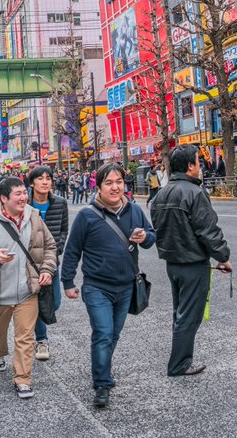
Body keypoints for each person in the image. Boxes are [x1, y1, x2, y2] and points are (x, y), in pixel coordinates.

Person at [62, 163, 156, 409]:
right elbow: (72, 250)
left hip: (126, 286)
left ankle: (100, 367)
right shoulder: (87, 215)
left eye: (119, 182)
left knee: (113, 334)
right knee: (103, 333)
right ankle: (102, 383)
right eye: (109, 183)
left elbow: (151, 237)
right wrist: (68, 281)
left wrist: (145, 237)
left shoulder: (134, 210)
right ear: (99, 186)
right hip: (96, 287)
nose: (115, 187)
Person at [0, 175, 56, 399]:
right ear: (4, 198)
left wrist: (46, 270)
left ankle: (23, 379)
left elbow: (50, 246)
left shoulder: (34, 218)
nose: (24, 197)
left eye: (25, 192)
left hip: (27, 291)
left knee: (25, 337)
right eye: (18, 193)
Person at [150, 144, 231, 378]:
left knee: (180, 312)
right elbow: (208, 230)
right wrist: (223, 257)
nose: (200, 165)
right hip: (193, 262)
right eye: (198, 161)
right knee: (190, 315)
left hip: (172, 262)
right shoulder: (195, 193)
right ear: (189, 166)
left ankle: (180, 360)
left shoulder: (161, 193)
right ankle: (179, 364)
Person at [25, 165, 68, 361]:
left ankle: (36, 332)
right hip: (29, 262)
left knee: (55, 302)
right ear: (32, 182)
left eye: (48, 178)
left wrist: (56, 248)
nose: (45, 182)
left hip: (51, 261)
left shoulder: (60, 203)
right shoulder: (23, 203)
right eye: (40, 178)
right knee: (37, 300)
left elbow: (63, 230)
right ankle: (41, 340)